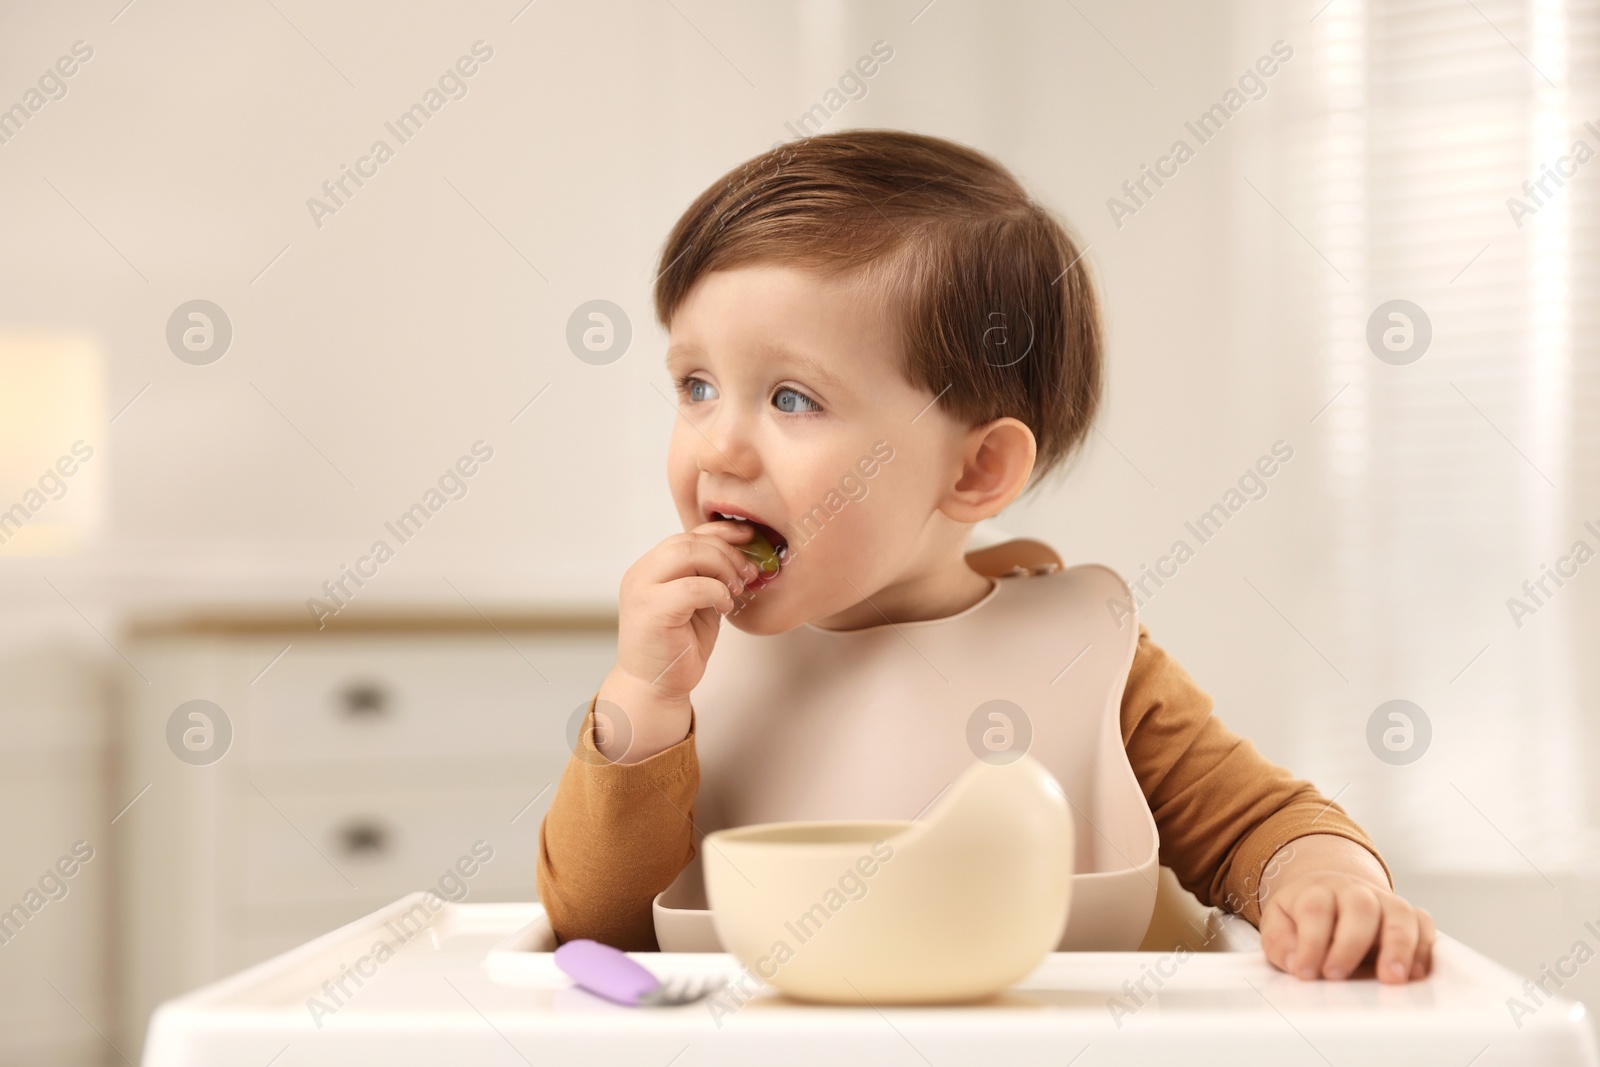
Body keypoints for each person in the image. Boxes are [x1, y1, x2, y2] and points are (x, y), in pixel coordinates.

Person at [537, 129, 1435, 984]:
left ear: (975, 469)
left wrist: (1327, 885)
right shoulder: (681, 672)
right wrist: (642, 704)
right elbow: (594, 933)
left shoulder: (1081, 653)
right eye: (695, 385)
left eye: (791, 397)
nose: (719, 446)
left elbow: (1262, 826)